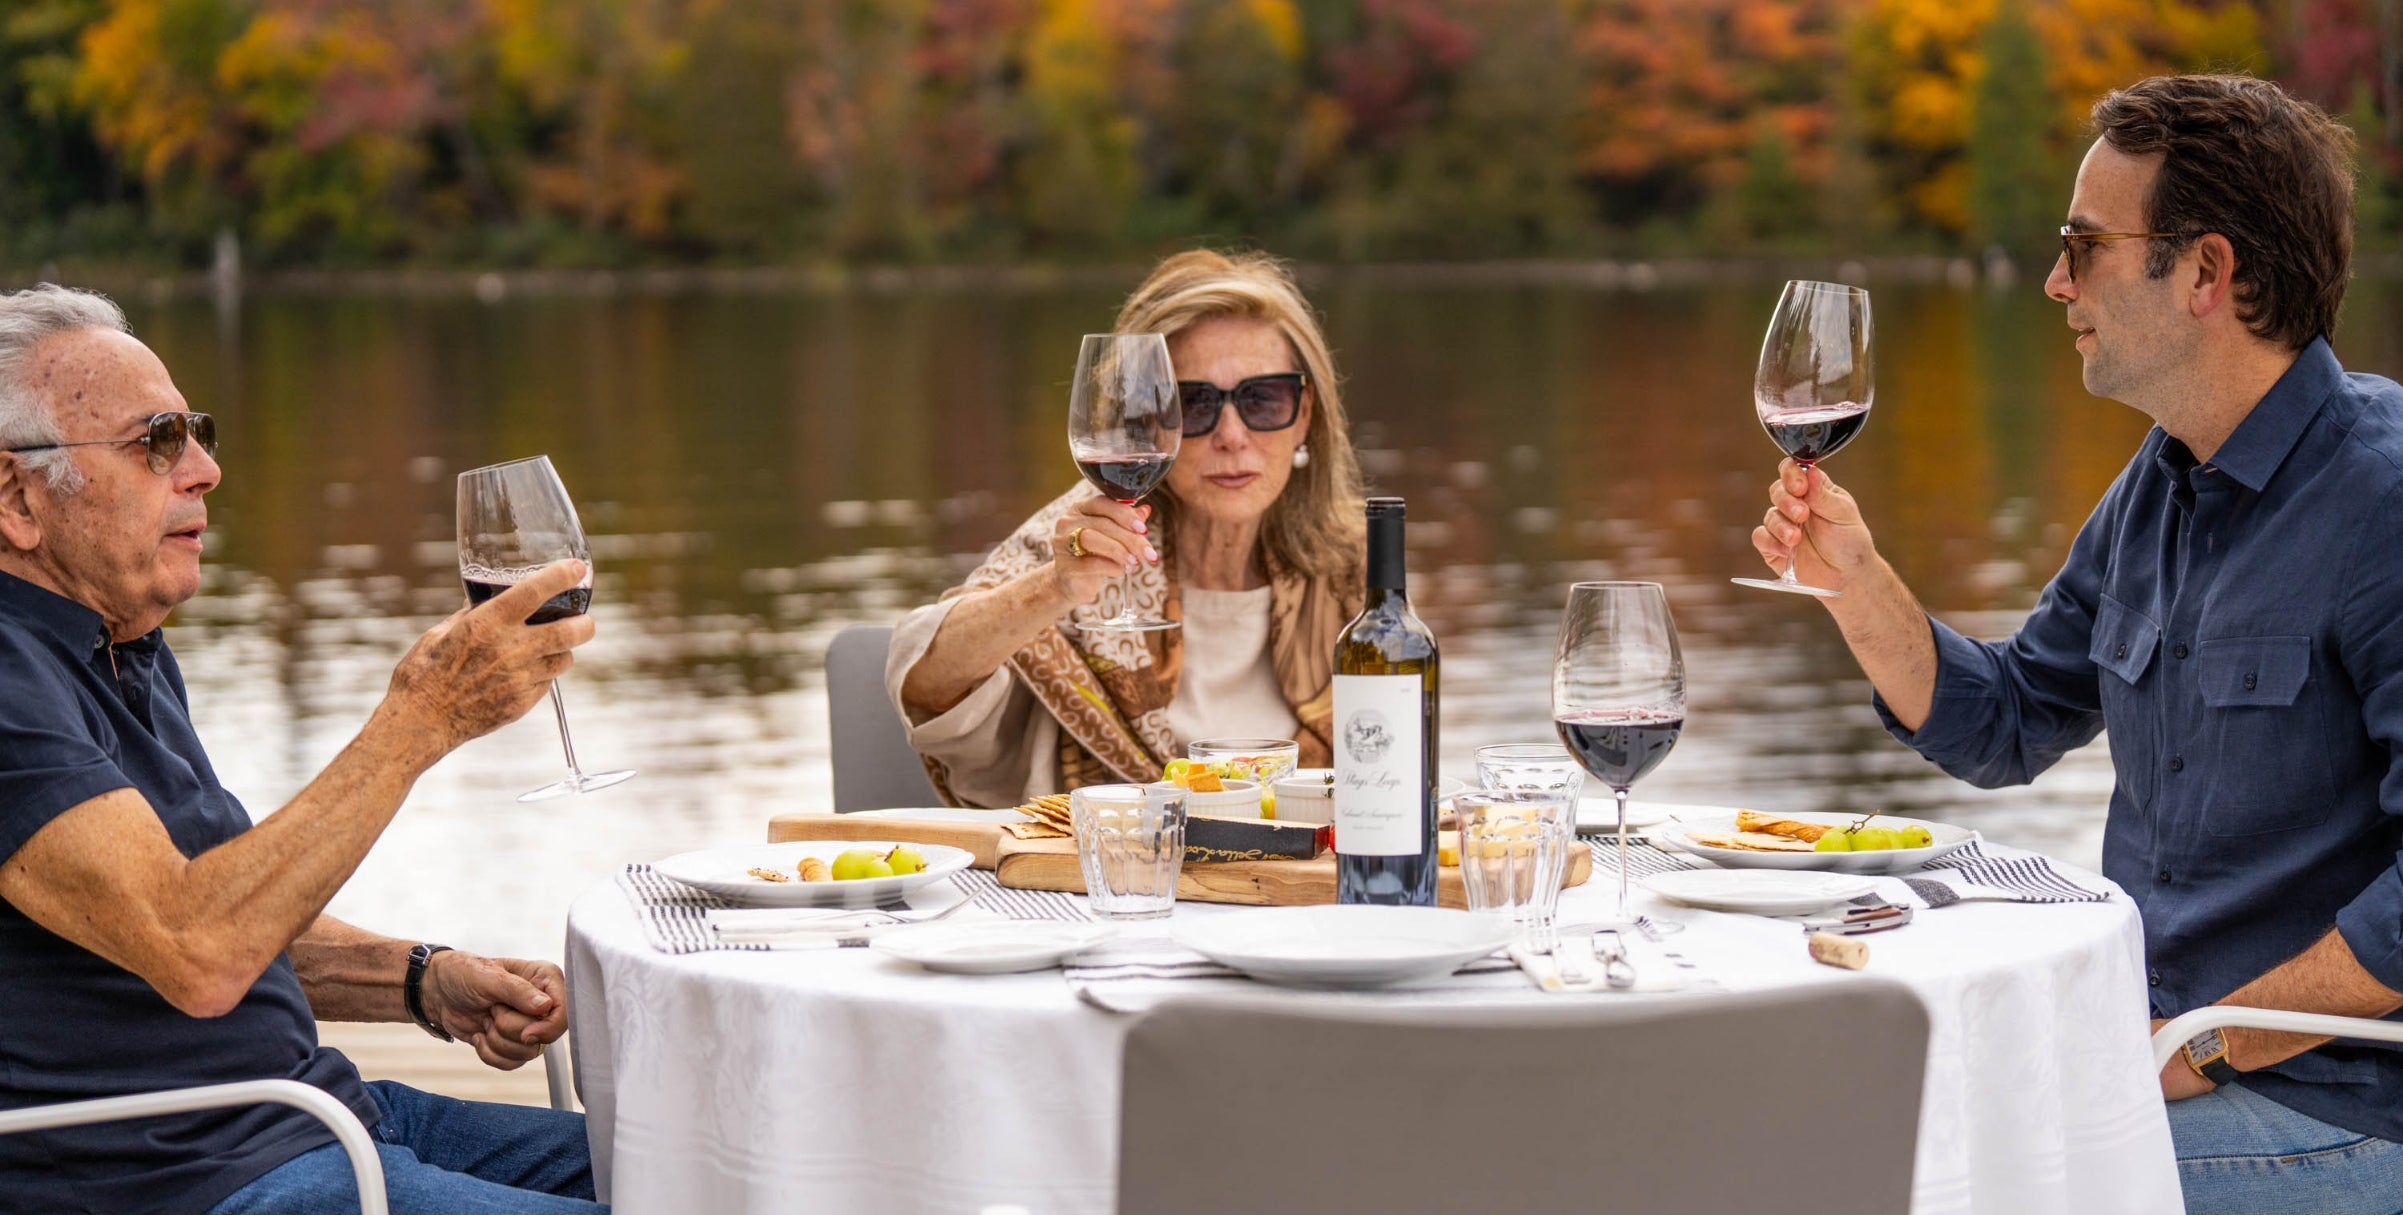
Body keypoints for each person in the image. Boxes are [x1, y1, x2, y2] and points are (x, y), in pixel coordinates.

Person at [1751, 75, 2403, 1208]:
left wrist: (2200, 1048)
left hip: (2341, 1115)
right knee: (1826, 1134)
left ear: (2207, 271)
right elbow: (2006, 722)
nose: (2056, 280)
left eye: (2084, 244)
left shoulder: (2383, 500)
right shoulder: (2158, 486)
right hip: (2145, 1069)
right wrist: (1856, 583)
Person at [0, 284, 607, 1213]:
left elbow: (219, 910)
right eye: (156, 441)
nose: (203, 469)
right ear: (17, 497)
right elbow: (195, 945)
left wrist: (419, 979)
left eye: (196, 431)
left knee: (741, 1163)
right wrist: (421, 716)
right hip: (199, 1176)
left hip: (323, 1116)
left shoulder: (120, 643)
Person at [891, 250, 1369, 805]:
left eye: (1263, 399)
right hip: (1108, 884)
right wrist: (1057, 588)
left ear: (1304, 415)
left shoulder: (1352, 576)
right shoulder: (1078, 541)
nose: (1233, 436)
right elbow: (924, 680)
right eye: (1194, 404)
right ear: (1144, 422)